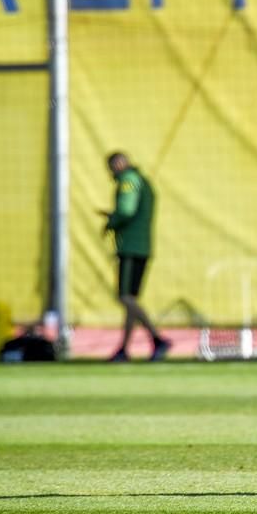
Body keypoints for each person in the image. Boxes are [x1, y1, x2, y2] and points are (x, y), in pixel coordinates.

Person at [99, 151, 171, 362]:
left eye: (112, 168)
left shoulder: (129, 181)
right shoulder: (144, 181)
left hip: (131, 247)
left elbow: (127, 210)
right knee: (131, 301)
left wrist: (112, 221)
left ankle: (157, 338)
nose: (111, 173)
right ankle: (124, 349)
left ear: (119, 164)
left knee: (125, 297)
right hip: (142, 246)